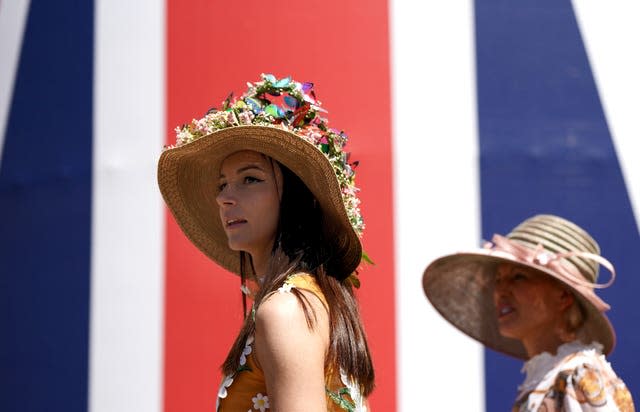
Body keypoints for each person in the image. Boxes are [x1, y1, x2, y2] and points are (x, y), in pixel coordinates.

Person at [157, 74, 374, 411]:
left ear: (297, 197)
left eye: (250, 179)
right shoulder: (311, 300)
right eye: (222, 185)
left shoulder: (286, 309)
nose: (225, 198)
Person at [422, 214, 635, 411]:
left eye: (519, 277)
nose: (500, 291)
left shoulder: (579, 373)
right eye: (497, 280)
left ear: (563, 297)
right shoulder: (548, 377)